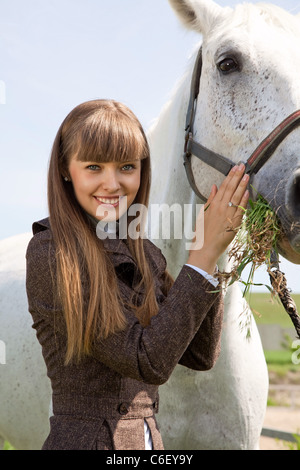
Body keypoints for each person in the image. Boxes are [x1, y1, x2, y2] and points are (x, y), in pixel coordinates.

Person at [26, 99, 250, 450]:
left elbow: (201, 354)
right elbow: (147, 360)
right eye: (94, 167)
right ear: (66, 170)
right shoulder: (52, 253)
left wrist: (214, 251)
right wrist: (201, 258)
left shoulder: (145, 253)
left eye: (127, 166)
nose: (112, 184)